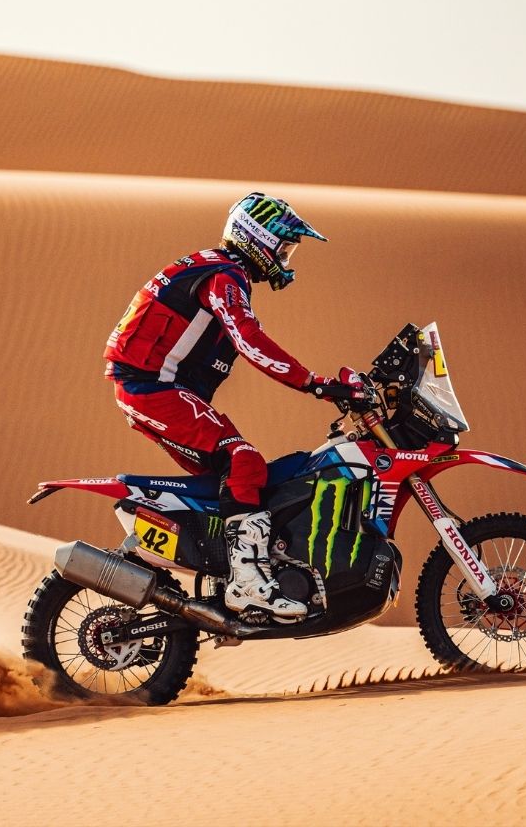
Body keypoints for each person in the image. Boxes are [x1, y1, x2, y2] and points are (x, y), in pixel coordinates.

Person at [104, 191, 364, 622]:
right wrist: (314, 384)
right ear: (257, 237)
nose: (285, 257)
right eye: (283, 246)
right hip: (152, 387)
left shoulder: (215, 267)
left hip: (158, 388)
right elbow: (248, 340)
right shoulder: (224, 276)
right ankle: (247, 584)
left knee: (234, 480)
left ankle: (227, 579)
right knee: (243, 462)